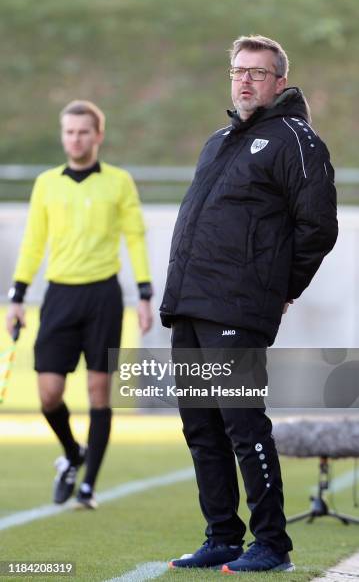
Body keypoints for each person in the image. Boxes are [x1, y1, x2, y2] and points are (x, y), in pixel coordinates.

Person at [160, 35, 338, 572]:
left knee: (242, 424)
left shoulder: (295, 138)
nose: (245, 80)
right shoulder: (218, 140)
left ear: (279, 81)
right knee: (201, 427)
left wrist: (283, 287)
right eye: (238, 71)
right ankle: (221, 535)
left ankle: (273, 544)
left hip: (238, 308)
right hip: (190, 303)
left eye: (257, 73)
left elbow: (318, 227)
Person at [6, 100, 153, 509]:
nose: (76, 138)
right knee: (49, 394)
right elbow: (33, 241)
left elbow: (135, 237)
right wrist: (16, 297)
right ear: (62, 135)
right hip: (59, 295)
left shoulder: (119, 182)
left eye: (83, 131)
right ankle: (72, 454)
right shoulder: (46, 183)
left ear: (98, 136)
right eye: (69, 132)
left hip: (103, 296)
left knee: (98, 391)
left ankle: (88, 485)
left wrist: (144, 294)